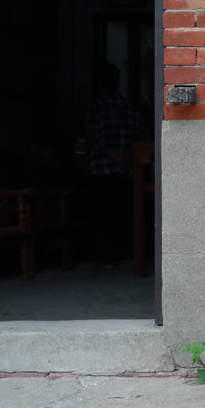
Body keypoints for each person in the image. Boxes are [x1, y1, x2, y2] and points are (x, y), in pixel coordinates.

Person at [86, 61, 139, 267]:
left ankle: (107, 257)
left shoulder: (96, 108)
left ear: (99, 82)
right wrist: (125, 158)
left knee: (103, 215)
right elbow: (139, 137)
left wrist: (113, 156)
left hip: (101, 169)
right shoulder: (129, 108)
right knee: (124, 214)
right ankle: (126, 254)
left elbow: (94, 139)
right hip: (126, 171)